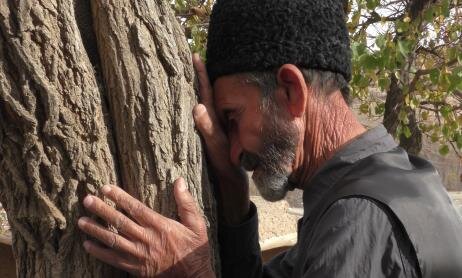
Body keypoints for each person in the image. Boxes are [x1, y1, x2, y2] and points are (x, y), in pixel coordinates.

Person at [77, 0, 462, 277]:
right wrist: (232, 189)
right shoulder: (384, 184)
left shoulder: (360, 220)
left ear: (291, 91)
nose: (233, 149)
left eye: (232, 118)